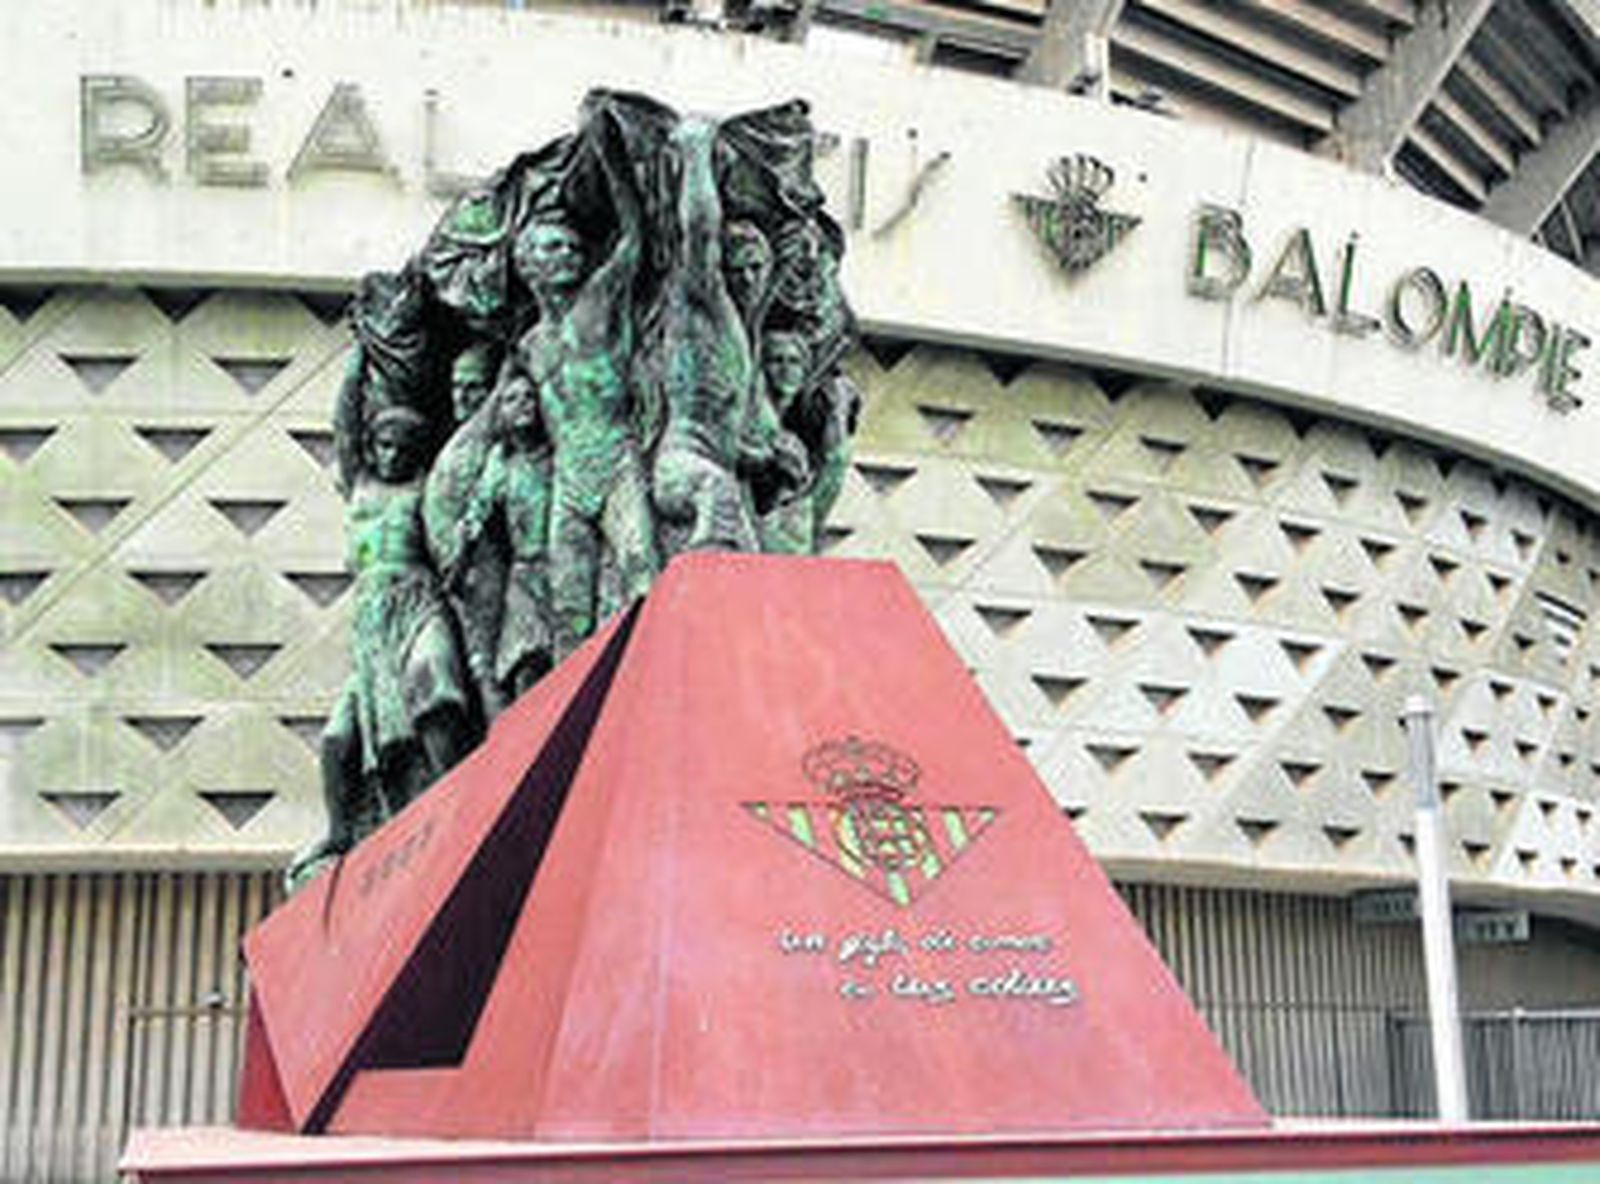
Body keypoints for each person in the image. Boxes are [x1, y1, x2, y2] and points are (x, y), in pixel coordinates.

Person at [289, 404, 475, 889]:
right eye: (384, 445)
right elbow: (344, 424)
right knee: (335, 741)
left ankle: (459, 793)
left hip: (416, 602)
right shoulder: (359, 488)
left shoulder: (426, 489)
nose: (391, 455)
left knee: (436, 687)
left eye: (402, 448)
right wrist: (362, 340)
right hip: (370, 625)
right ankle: (337, 831)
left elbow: (446, 548)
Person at [514, 111, 658, 659]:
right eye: (553, 248)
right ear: (528, 264)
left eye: (573, 246)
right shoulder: (530, 345)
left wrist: (616, 164)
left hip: (618, 464)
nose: (570, 253)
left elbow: (632, 242)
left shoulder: (597, 304)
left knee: (644, 581)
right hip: (568, 480)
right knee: (568, 612)